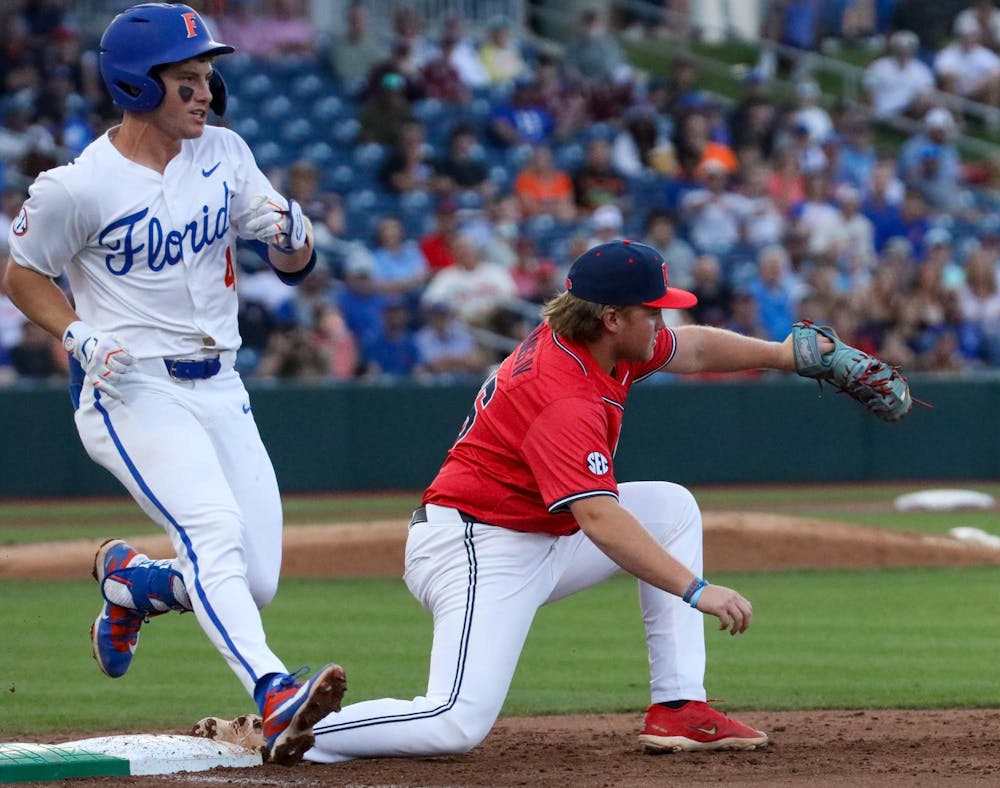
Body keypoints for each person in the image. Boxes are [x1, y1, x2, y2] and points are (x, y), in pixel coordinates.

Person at [300, 239, 820, 763]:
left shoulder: (596, 342)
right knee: (454, 722)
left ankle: (679, 706)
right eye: (654, 311)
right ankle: (296, 727)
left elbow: (696, 349)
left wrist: (782, 355)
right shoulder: (561, 392)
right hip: (480, 547)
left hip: (537, 534)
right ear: (613, 317)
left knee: (671, 509)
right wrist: (695, 590)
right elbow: (596, 515)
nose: (663, 322)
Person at [1, 3, 344, 766]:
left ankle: (135, 582)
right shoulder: (77, 186)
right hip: (132, 388)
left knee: (253, 579)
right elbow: (21, 274)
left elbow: (293, 256)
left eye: (206, 75)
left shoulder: (224, 153)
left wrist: (292, 234)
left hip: (220, 383)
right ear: (133, 84)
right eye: (185, 78)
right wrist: (76, 331)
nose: (204, 90)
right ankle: (272, 688)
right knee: (214, 534)